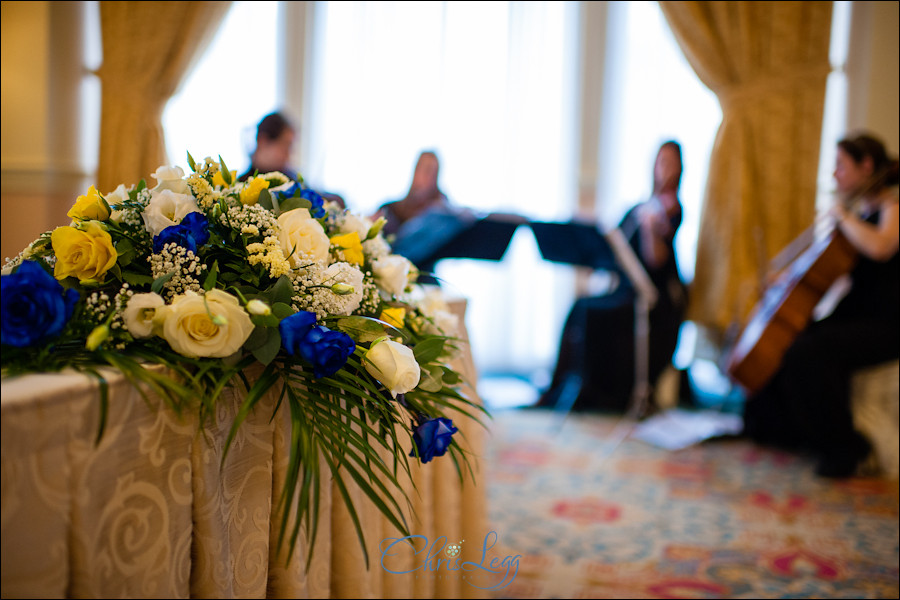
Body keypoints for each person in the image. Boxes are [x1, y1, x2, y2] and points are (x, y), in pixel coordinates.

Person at [741, 132, 900, 478]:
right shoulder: (859, 213)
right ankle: (783, 430)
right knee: (791, 341)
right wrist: (789, 280)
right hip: (857, 311)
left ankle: (847, 446)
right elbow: (835, 274)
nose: (835, 175)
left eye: (841, 166)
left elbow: (882, 248)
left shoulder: (892, 209)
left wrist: (843, 217)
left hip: (887, 321)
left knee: (810, 352)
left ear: (867, 166)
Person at [536, 140, 689, 413]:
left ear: (679, 169)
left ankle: (595, 393)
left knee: (593, 312)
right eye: (661, 161)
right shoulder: (639, 208)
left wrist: (650, 230)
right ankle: (559, 388)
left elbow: (656, 259)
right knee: (579, 307)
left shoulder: (671, 208)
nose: (664, 168)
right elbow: (611, 246)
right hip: (627, 290)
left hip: (652, 298)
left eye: (671, 163)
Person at [374, 150, 453, 237]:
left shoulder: (442, 216)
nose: (425, 177)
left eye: (430, 171)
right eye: (422, 169)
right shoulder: (389, 210)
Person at [238, 112, 299, 182]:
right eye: (284, 145)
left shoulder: (295, 184)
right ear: (262, 141)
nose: (288, 154)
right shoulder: (239, 187)